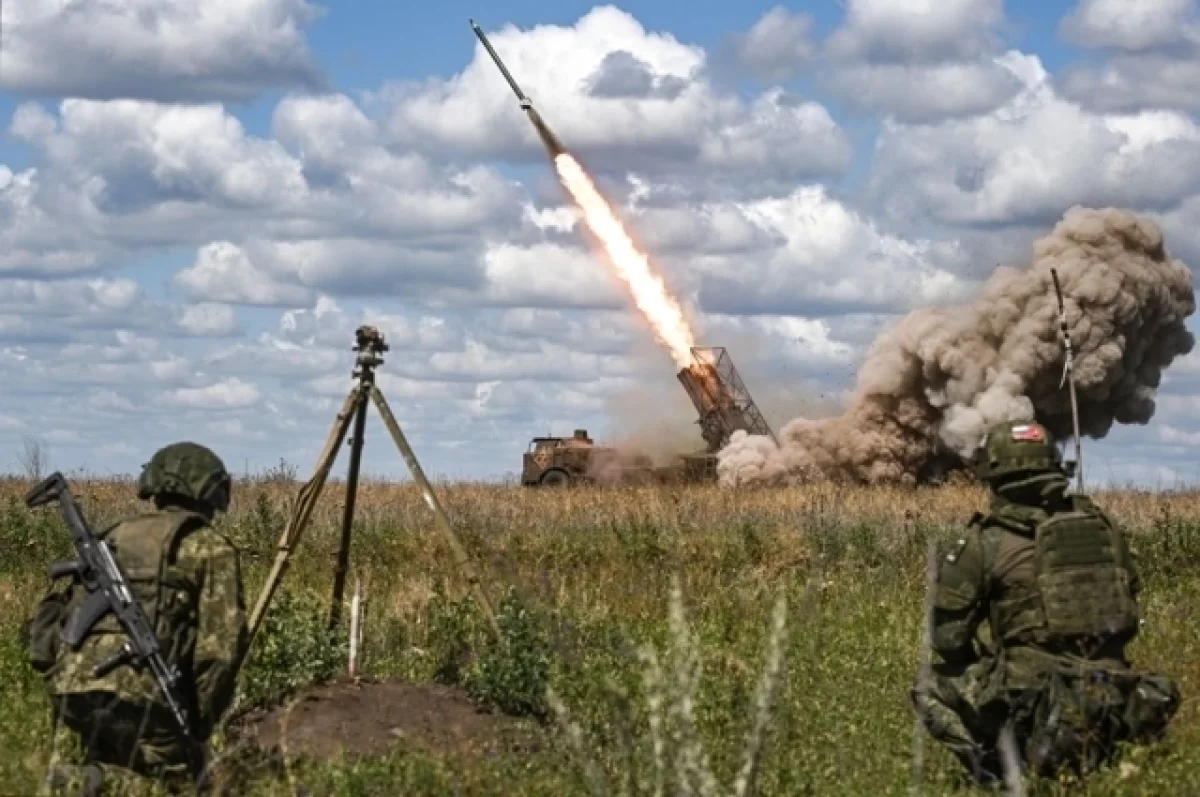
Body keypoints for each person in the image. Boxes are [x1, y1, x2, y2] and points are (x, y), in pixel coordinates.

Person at [912, 420, 1180, 785]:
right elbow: (1129, 597)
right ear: (1054, 466)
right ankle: (1107, 762)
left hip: (1032, 702)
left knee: (930, 687)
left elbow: (947, 639)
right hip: (1113, 694)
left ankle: (999, 774)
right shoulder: (1103, 528)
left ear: (995, 474)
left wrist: (997, 663)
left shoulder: (986, 542)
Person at [25, 442, 248, 795]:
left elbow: (50, 628)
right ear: (210, 492)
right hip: (148, 696)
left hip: (72, 688)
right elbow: (220, 650)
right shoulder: (210, 548)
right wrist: (198, 723)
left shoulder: (113, 536)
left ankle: (84, 779)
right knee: (181, 787)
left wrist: (65, 675)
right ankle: (100, 782)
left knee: (88, 771)